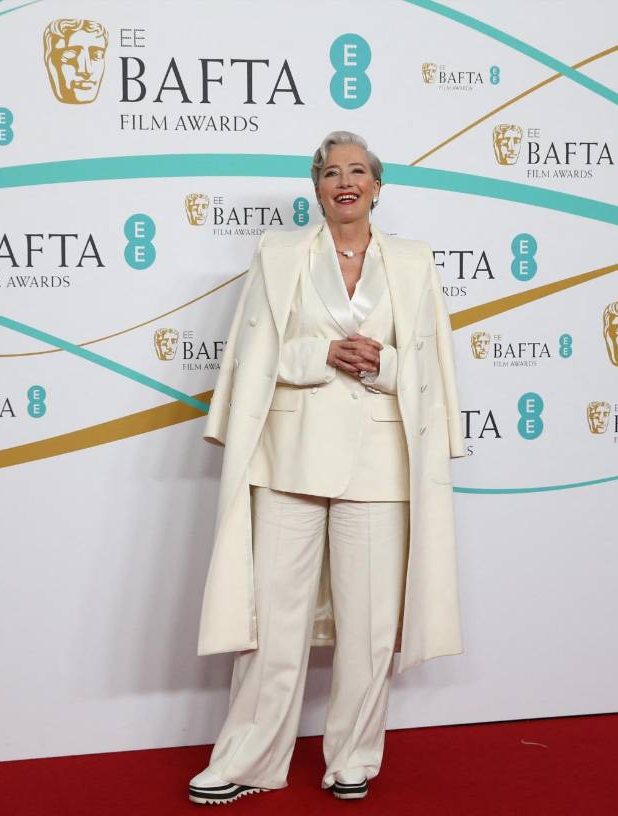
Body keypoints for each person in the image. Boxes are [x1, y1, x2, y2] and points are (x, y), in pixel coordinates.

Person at [188, 131, 465, 805]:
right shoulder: (279, 255)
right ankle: (247, 758)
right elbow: (254, 364)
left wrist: (383, 364)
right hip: (290, 458)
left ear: (377, 185)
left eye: (357, 171)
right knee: (271, 621)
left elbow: (427, 369)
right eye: (331, 172)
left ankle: (354, 756)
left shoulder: (412, 261)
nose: (344, 181)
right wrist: (321, 356)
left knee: (370, 628)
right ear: (315, 188)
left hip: (380, 462)